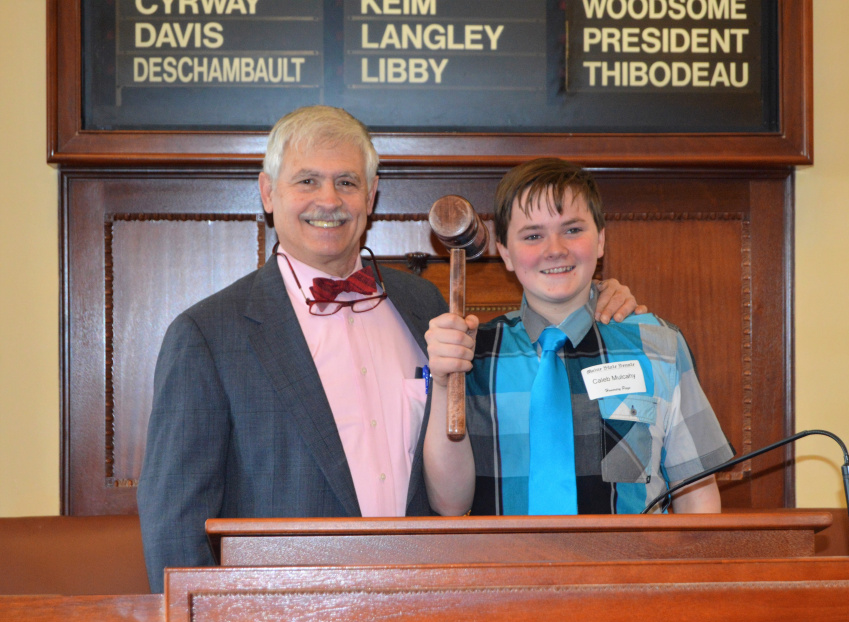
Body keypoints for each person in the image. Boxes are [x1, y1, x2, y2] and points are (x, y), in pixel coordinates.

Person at [137, 107, 642, 592]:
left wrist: (594, 298)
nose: (329, 199)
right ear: (268, 192)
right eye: (307, 181)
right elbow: (174, 526)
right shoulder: (206, 336)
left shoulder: (424, 306)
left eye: (347, 182)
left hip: (426, 607)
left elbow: (533, 342)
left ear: (372, 195)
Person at [423, 158, 735, 517]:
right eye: (533, 235)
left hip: (632, 570)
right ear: (506, 253)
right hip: (507, 571)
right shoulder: (471, 354)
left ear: (600, 240)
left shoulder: (658, 346)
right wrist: (446, 384)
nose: (555, 249)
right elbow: (449, 504)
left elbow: (697, 497)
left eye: (572, 230)